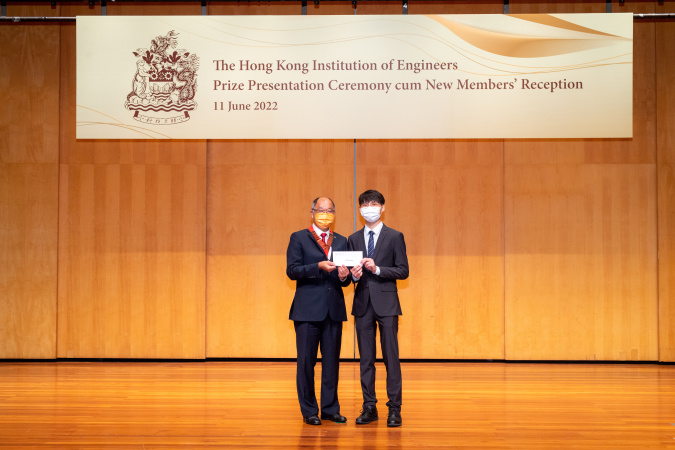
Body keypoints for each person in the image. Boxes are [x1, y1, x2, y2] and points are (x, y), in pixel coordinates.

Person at [286, 197, 351, 425]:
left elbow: (346, 277)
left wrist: (345, 277)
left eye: (330, 210)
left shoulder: (341, 240)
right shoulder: (299, 238)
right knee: (306, 362)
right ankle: (309, 410)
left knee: (332, 362)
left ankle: (330, 408)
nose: (326, 213)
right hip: (306, 310)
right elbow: (292, 270)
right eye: (321, 210)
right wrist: (317, 266)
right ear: (312, 212)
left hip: (333, 310)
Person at [348, 190, 409, 427]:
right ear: (360, 209)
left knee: (391, 357)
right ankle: (369, 406)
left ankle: (394, 408)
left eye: (374, 204)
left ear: (382, 207)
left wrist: (378, 269)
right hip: (362, 303)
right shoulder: (352, 239)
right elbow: (346, 278)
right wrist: (350, 276)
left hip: (387, 304)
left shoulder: (395, 236)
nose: (369, 208)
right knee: (366, 359)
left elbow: (403, 271)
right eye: (364, 204)